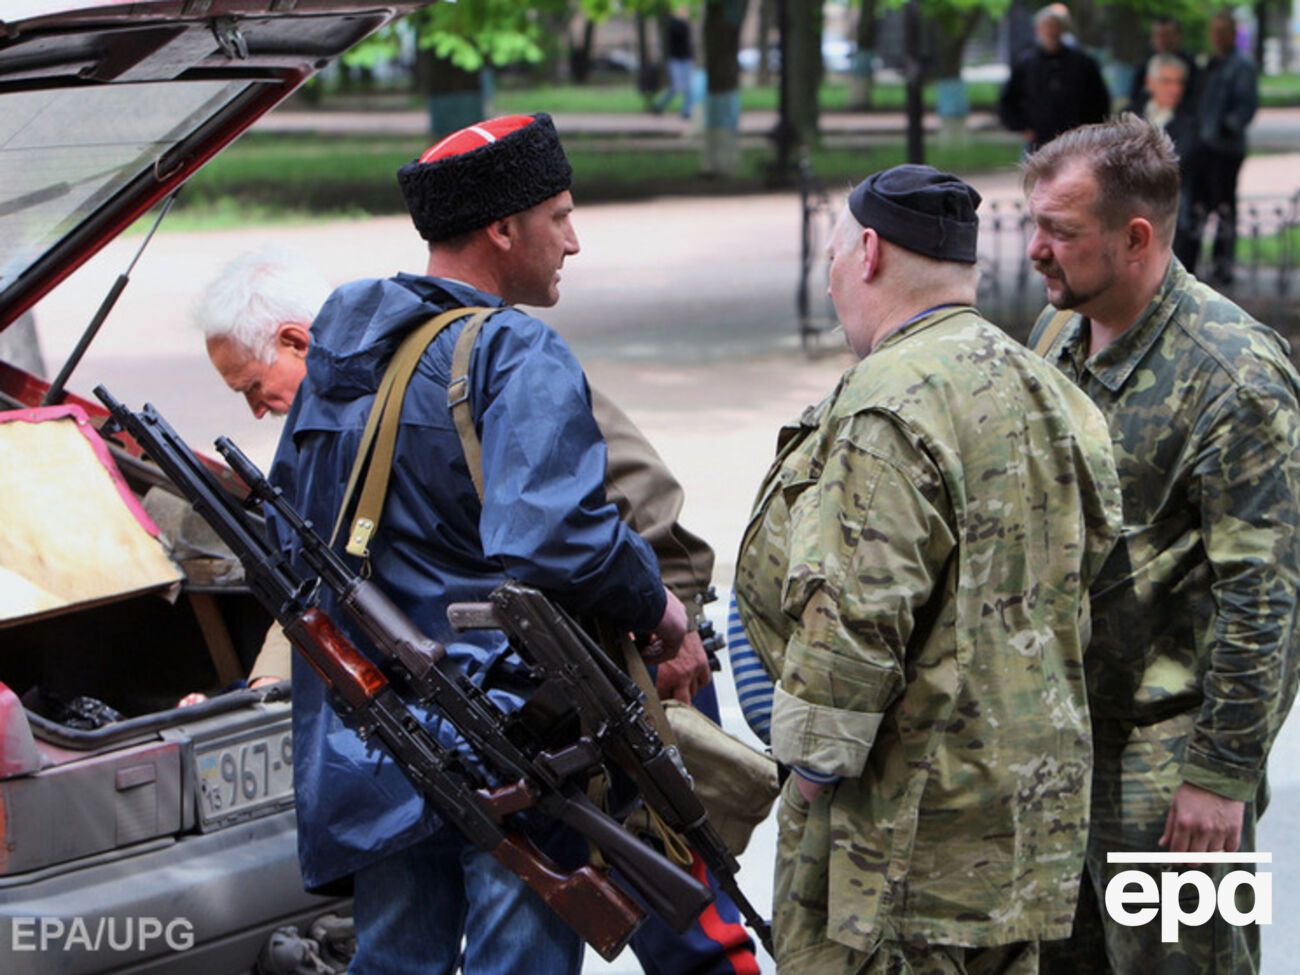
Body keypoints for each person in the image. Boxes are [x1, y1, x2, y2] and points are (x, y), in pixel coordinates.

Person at [263, 113, 773, 974]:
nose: (573, 242)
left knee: (394, 960)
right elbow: (557, 537)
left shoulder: (344, 350)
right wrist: (662, 608)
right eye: (560, 216)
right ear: (503, 229)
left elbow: (290, 532)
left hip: (378, 736)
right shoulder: (513, 348)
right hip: (512, 738)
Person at [734, 163, 1123, 973]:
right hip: (1019, 835)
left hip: (895, 851)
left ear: (868, 252)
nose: (835, 278)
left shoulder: (889, 401)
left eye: (835, 257)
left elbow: (853, 619)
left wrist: (810, 783)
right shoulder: (1050, 391)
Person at [1023, 115, 1300, 973]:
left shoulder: (1236, 379)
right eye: (1033, 223)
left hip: (1172, 769)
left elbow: (1270, 597)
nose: (1035, 249)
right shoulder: (1055, 335)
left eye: (1059, 232)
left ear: (1135, 236)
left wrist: (1220, 776)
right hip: (1060, 753)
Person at [1177, 10, 1258, 284]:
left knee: (1223, 207)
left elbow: (1246, 107)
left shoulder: (1241, 66)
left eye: (1222, 32)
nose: (1217, 38)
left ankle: (1223, 264)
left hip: (1224, 150)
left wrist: (1225, 127)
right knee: (1196, 205)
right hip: (1201, 147)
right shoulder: (1209, 65)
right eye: (1214, 32)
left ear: (1233, 34)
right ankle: (1191, 263)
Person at [997, 4, 1110, 152]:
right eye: (1047, 26)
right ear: (1038, 30)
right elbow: (1008, 100)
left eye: (1055, 26)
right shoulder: (1026, 63)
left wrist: (1091, 128)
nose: (1051, 31)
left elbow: (1099, 98)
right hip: (1039, 137)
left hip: (1076, 137)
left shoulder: (1082, 62)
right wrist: (1021, 126)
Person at [1126, 17, 1197, 114]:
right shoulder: (1144, 65)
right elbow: (1135, 95)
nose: (1162, 40)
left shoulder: (1191, 66)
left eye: (1167, 35)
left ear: (1178, 37)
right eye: (1158, 35)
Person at [652, 9, 694, 120]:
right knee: (676, 87)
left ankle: (686, 111)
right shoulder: (674, 24)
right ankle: (659, 105)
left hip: (685, 59)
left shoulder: (680, 24)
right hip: (676, 60)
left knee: (688, 87)